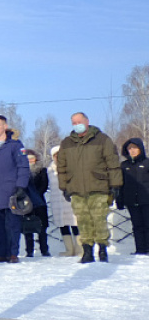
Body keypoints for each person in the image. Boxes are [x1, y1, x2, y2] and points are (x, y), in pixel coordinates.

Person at [57, 112, 122, 263]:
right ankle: (87, 251)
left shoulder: (102, 139)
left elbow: (113, 163)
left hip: (99, 186)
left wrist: (115, 185)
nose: (76, 125)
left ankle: (102, 250)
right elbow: (62, 167)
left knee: (99, 219)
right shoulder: (66, 143)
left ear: (87, 121)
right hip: (77, 188)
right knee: (83, 220)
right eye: (73, 122)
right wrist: (64, 187)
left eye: (79, 121)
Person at [0, 116, 30, 263]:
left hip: (11, 191)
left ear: (5, 126)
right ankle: (0, 253)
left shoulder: (15, 144)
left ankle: (13, 253)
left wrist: (21, 186)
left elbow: (23, 166)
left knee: (12, 224)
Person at [117, 138, 149, 255]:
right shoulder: (124, 165)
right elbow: (121, 184)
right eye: (130, 148)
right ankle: (140, 249)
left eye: (135, 148)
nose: (132, 150)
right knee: (137, 226)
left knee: (147, 224)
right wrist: (119, 199)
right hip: (131, 200)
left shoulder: (146, 163)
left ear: (140, 148)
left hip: (146, 200)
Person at [47, 146, 80, 256]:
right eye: (56, 155)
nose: (58, 157)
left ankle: (79, 249)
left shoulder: (71, 167)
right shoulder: (50, 170)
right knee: (63, 225)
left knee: (75, 224)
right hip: (57, 200)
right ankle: (69, 250)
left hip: (70, 199)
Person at [23, 149, 50, 257]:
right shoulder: (22, 172)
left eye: (32, 158)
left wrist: (36, 195)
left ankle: (44, 249)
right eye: (27, 159)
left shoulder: (42, 170)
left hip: (40, 202)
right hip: (26, 202)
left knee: (42, 227)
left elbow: (44, 185)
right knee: (27, 227)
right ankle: (29, 251)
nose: (30, 161)